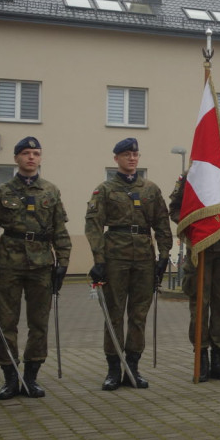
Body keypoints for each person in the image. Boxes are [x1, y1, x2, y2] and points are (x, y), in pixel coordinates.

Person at [0, 137, 72, 400]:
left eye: (36, 153)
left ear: (41, 158)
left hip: (41, 266)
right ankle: (10, 378)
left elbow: (60, 231)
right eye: (26, 153)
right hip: (9, 264)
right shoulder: (2, 192)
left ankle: (30, 377)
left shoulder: (50, 191)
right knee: (6, 323)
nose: (31, 157)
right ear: (16, 158)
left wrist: (63, 263)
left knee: (38, 323)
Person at [85, 138, 172, 390]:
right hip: (115, 257)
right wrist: (99, 260)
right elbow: (93, 226)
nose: (132, 158)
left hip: (144, 257)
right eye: (126, 155)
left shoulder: (150, 189)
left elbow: (162, 225)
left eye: (135, 154)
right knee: (114, 313)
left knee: (138, 314)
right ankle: (113, 369)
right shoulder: (105, 189)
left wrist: (164, 256)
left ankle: (132, 366)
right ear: (116, 159)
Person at [168, 169, 220, 381]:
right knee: (200, 305)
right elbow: (175, 208)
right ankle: (201, 357)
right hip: (200, 248)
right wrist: (194, 225)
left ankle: (217, 360)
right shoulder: (194, 173)